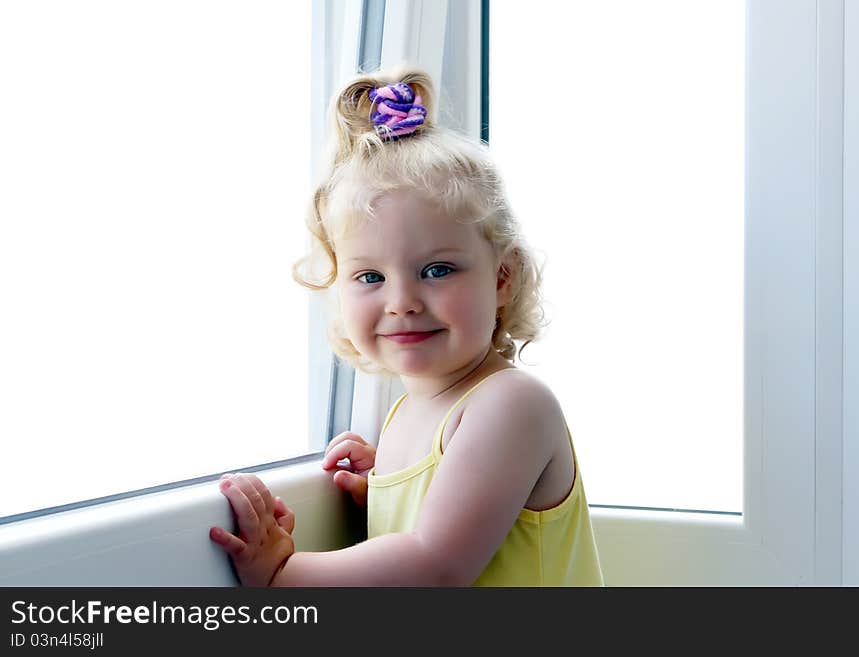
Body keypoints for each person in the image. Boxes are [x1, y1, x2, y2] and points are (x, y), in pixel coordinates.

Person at [208, 64, 604, 586]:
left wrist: (282, 574)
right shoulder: (408, 413)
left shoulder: (511, 403)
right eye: (369, 275)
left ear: (503, 278)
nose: (401, 302)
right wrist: (385, 486)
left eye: (437, 270)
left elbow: (434, 568)